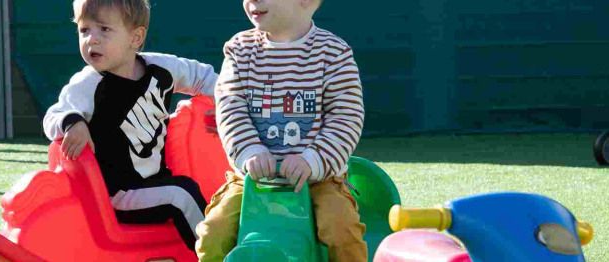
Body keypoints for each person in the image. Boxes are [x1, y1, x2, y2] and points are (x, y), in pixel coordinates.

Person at [195, 0, 368, 261]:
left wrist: (313, 160)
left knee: (342, 229)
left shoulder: (333, 53)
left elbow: (346, 117)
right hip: (251, 181)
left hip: (319, 181)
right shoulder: (240, 50)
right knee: (212, 232)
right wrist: (250, 150)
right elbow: (231, 108)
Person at [41, 0, 219, 250]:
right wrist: (74, 123)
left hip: (156, 183)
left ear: (136, 38)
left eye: (104, 29)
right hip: (118, 196)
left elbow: (204, 78)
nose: (92, 39)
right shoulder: (87, 85)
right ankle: (218, 256)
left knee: (209, 194)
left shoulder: (161, 68)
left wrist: (228, 102)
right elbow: (54, 115)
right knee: (182, 194)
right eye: (84, 30)